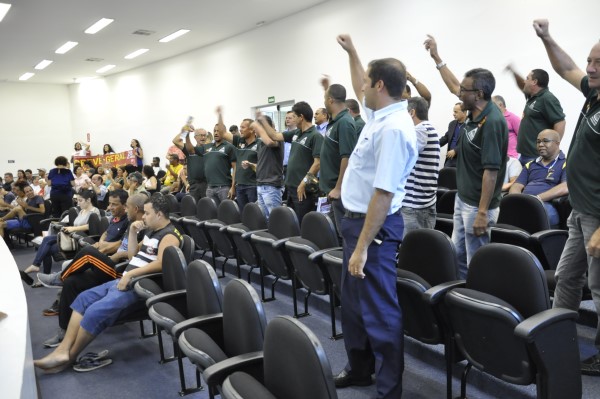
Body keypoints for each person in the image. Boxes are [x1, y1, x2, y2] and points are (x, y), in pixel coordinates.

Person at [334, 34, 417, 399]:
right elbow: (357, 82)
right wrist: (354, 52)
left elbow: (383, 195)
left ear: (379, 85)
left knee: (380, 312)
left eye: (368, 82)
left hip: (375, 232)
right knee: (352, 306)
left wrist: (362, 247)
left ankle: (389, 390)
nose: (361, 88)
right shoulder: (379, 115)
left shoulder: (395, 129)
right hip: (354, 224)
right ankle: (360, 369)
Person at [33, 195, 182, 373]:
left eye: (147, 213)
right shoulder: (152, 231)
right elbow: (132, 255)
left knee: (94, 311)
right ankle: (62, 350)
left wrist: (131, 274)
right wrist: (133, 232)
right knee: (83, 299)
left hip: (140, 286)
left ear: (159, 215)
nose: (143, 216)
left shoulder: (170, 235)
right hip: (125, 280)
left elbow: (161, 263)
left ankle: (69, 357)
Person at [531, 19, 600, 376]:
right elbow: (566, 67)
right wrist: (546, 37)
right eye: (591, 60)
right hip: (581, 211)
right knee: (568, 276)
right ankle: (561, 336)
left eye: (598, 63)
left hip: (598, 218)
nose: (590, 68)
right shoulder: (594, 94)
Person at [424, 34, 508, 279]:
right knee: (458, 255)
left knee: (476, 263)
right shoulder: (475, 111)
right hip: (465, 198)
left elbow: (491, 172)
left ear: (479, 93)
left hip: (477, 206)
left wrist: (482, 212)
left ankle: (479, 306)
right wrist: (437, 57)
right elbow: (452, 85)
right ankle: (461, 303)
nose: (459, 93)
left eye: (465, 90)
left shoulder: (492, 122)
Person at [38, 193, 143, 347]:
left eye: (126, 206)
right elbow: (120, 243)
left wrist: (114, 256)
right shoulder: (132, 224)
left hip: (123, 271)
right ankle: (64, 331)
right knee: (72, 282)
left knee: (88, 254)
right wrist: (106, 248)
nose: (125, 209)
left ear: (135, 208)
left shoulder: (144, 228)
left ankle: (59, 278)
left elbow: (131, 254)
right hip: (113, 264)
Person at [258, 102, 323, 224]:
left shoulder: (315, 136)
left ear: (301, 117)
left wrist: (303, 184)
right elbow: (275, 135)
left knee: (302, 224)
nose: (291, 120)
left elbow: (317, 163)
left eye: (294, 117)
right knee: (291, 223)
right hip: (291, 187)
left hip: (303, 190)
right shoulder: (296, 133)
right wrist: (262, 120)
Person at [21, 189, 99, 276]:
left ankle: (37, 267)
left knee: (45, 247)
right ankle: (39, 268)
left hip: (79, 239)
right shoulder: (82, 211)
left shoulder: (95, 211)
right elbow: (75, 224)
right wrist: (68, 228)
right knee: (46, 245)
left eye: (80, 200)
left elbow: (90, 226)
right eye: (77, 200)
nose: (78, 203)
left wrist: (72, 228)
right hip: (71, 236)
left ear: (88, 200)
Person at [319, 78, 358, 241]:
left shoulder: (344, 123)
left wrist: (338, 188)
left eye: (325, 98)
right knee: (335, 234)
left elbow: (347, 157)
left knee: (345, 237)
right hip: (331, 190)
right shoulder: (335, 121)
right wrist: (327, 88)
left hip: (339, 191)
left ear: (330, 100)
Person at [505, 64, 566, 165]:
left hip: (537, 157)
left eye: (527, 78)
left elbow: (560, 122)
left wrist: (552, 148)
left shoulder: (547, 98)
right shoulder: (533, 96)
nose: (525, 81)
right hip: (525, 156)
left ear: (534, 82)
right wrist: (513, 73)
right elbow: (522, 85)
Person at [508, 129, 566, 227]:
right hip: (524, 203)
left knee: (532, 216)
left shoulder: (566, 163)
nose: (540, 144)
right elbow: (517, 185)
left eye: (545, 141)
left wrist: (536, 200)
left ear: (557, 143)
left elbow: (565, 187)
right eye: (538, 142)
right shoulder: (530, 164)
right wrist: (516, 200)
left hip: (545, 204)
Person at [402, 96, 440, 236]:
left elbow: (401, 157)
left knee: (414, 252)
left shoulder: (420, 130)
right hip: (419, 204)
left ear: (411, 113)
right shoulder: (428, 128)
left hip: (415, 205)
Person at [217, 108, 259, 210]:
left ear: (252, 129)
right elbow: (222, 133)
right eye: (240, 127)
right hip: (240, 186)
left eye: (243, 127)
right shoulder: (240, 141)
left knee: (254, 215)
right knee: (243, 215)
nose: (240, 130)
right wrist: (220, 115)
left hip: (253, 186)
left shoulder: (260, 144)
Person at [188, 122, 237, 205]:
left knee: (226, 214)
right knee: (211, 214)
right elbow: (191, 149)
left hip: (224, 187)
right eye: (214, 131)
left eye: (219, 131)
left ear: (224, 133)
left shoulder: (229, 147)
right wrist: (187, 134)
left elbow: (235, 168)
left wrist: (233, 187)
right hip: (210, 188)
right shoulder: (207, 147)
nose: (216, 133)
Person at [251, 115, 284, 219]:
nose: (255, 132)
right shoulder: (260, 142)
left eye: (256, 129)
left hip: (271, 186)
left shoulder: (277, 137)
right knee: (264, 220)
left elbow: (270, 143)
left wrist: (260, 127)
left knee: (275, 220)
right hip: (260, 184)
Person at [173, 126, 208, 200]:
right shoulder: (190, 149)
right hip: (194, 186)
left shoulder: (209, 149)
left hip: (207, 185)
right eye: (201, 135)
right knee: (194, 207)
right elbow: (175, 140)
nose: (203, 137)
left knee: (206, 208)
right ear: (195, 137)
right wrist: (185, 131)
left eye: (205, 135)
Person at [492, 95, 521, 159]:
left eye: (492, 104)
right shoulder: (492, 119)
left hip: (512, 157)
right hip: (498, 157)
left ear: (500, 105)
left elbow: (522, 137)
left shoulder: (513, 118)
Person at [439, 103, 467, 168]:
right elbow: (446, 138)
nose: (453, 114)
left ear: (464, 112)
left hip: (463, 160)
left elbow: (468, 143)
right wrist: (434, 144)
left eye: (456, 112)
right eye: (453, 112)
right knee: (445, 175)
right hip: (450, 159)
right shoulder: (452, 124)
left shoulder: (470, 125)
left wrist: (455, 150)